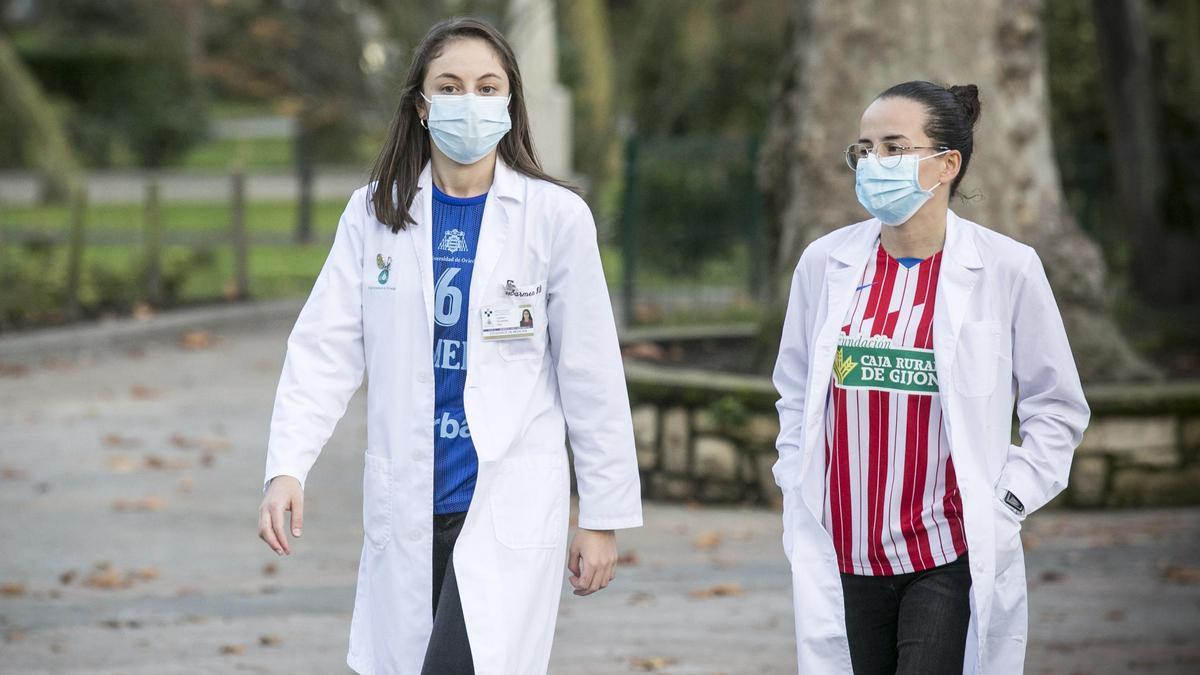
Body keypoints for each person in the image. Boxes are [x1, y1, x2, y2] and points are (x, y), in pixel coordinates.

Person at [256, 17, 642, 674]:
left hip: (506, 505)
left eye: (488, 87)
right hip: (407, 500)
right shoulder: (375, 214)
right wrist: (287, 464)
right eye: (452, 86)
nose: (471, 102)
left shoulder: (554, 218)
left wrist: (600, 513)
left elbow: (591, 373)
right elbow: (324, 349)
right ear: (422, 103)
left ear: (510, 102)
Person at [771, 81, 1089, 674]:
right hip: (843, 549)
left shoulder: (1007, 269)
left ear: (947, 164)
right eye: (864, 150)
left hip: (946, 551)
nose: (873, 164)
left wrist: (1010, 499)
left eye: (894, 147)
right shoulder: (825, 263)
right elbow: (794, 388)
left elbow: (1057, 405)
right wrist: (794, 469)